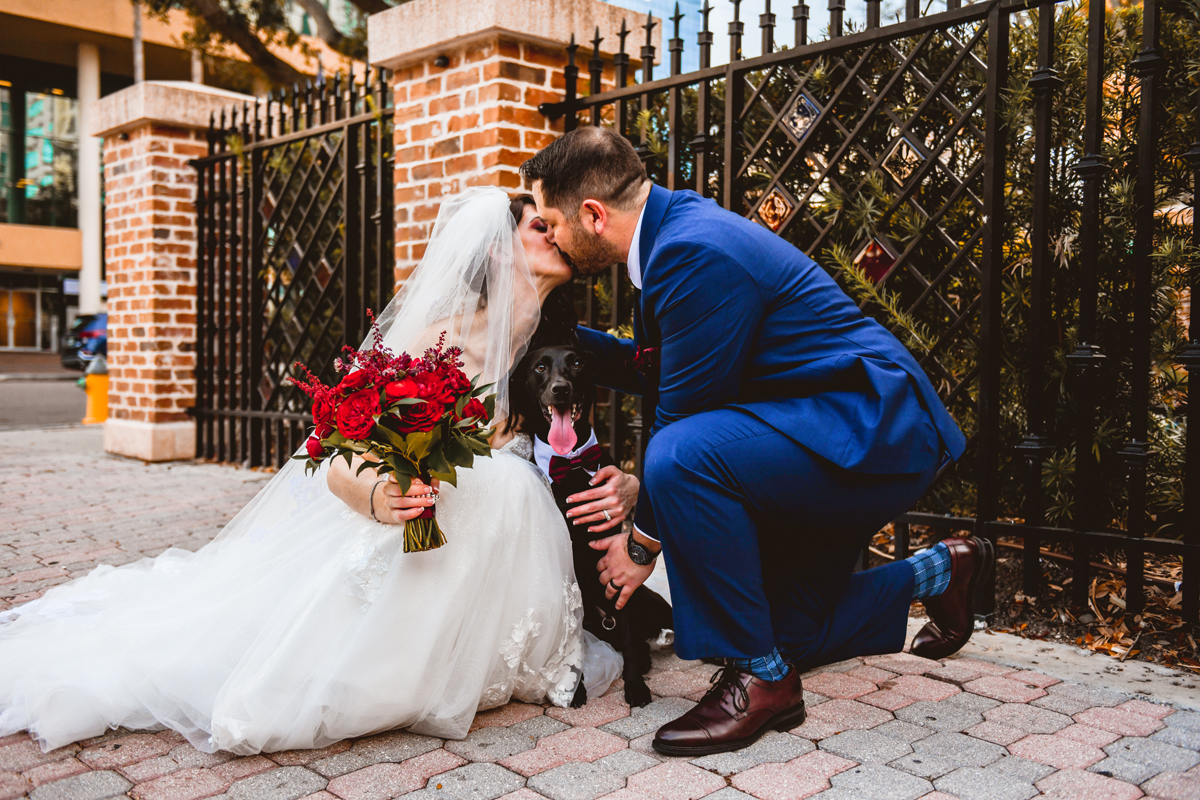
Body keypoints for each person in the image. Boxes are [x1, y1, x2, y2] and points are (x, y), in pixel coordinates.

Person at [0, 188, 634, 756]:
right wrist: (386, 497)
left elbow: (595, 417)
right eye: (538, 228)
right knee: (493, 485)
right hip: (415, 511)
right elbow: (340, 444)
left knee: (509, 481)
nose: (557, 235)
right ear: (497, 251)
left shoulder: (555, 340)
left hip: (500, 527)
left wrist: (626, 481)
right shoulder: (439, 334)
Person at [521, 127, 993, 757]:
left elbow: (681, 413)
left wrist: (639, 546)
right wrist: (551, 338)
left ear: (593, 215)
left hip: (871, 429)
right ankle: (942, 571)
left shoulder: (691, 251)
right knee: (791, 630)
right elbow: (658, 364)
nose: (549, 235)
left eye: (551, 222)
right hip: (823, 431)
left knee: (681, 454)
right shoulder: (671, 235)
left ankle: (762, 682)